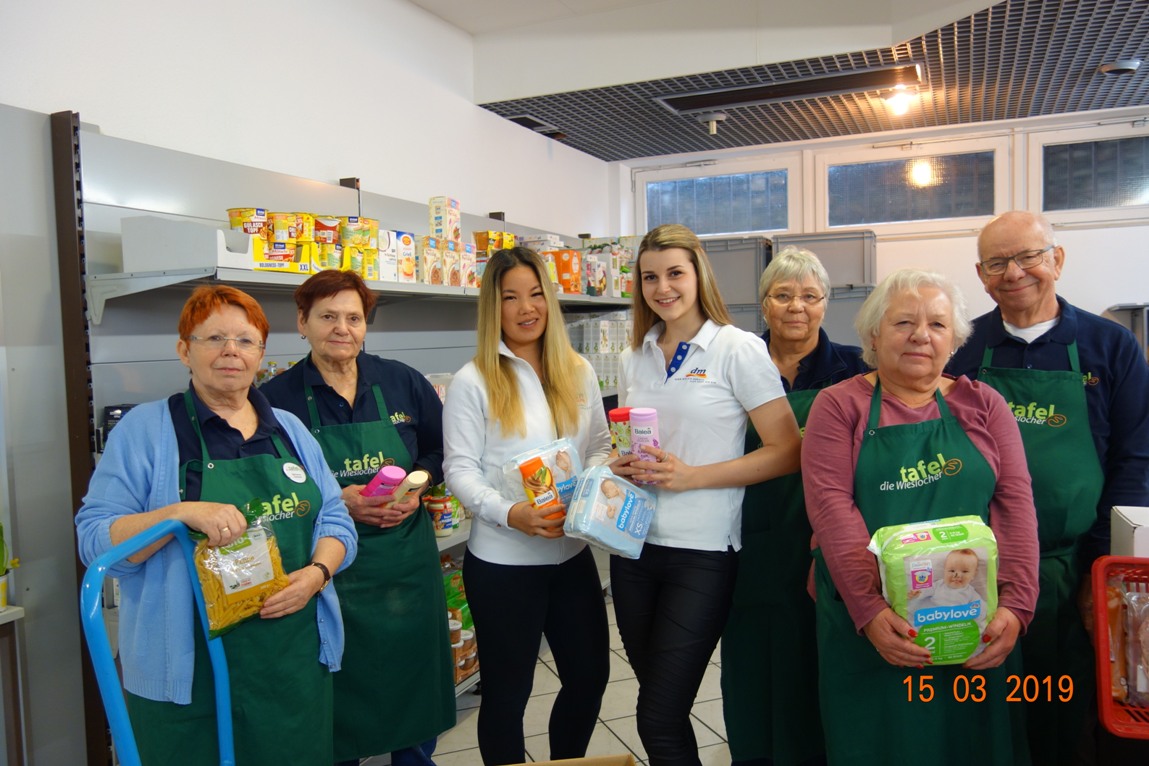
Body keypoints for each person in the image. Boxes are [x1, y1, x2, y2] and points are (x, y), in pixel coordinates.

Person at [75, 285, 357, 766]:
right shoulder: (146, 431)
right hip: (186, 673)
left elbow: (335, 518)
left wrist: (316, 575)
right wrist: (178, 513)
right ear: (185, 349)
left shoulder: (288, 427)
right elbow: (94, 540)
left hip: (290, 662)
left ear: (262, 353)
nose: (231, 351)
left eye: (245, 341)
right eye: (213, 339)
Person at [802, 268, 1040, 765]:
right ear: (872, 334)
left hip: (973, 616)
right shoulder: (838, 406)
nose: (920, 335)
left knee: (971, 747)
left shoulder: (984, 404)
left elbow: (1014, 506)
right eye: (903, 322)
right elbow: (832, 510)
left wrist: (1016, 607)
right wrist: (871, 611)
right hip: (871, 624)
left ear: (954, 339)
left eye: (936, 324)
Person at [946, 210, 1149, 765]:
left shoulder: (1113, 347)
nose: (1014, 272)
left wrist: (1099, 570)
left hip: (1070, 571)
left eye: (1029, 256)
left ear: (1056, 260)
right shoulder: (962, 350)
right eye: (997, 262)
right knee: (982, 706)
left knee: (1064, 711)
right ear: (982, 276)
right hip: (977, 571)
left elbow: (1134, 462)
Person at [612, 224, 802, 766]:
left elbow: (787, 450)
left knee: (657, 715)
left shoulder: (736, 349)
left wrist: (692, 476)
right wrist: (620, 462)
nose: (662, 287)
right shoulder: (636, 355)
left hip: (702, 554)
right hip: (634, 548)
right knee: (658, 706)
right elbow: (636, 439)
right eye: (650, 277)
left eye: (675, 273)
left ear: (699, 275)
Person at [259, 269, 454, 766]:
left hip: (405, 568)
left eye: (353, 317)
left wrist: (418, 484)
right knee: (336, 690)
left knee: (411, 682)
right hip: (330, 573)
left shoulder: (403, 382)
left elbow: (439, 450)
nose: (341, 328)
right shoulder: (274, 401)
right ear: (301, 322)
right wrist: (336, 499)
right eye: (327, 316)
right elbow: (270, 488)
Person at [442, 247, 611, 766]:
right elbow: (459, 470)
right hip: (504, 567)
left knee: (588, 678)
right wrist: (510, 513)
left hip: (570, 556)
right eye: (510, 297)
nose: (525, 308)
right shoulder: (474, 380)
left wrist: (593, 485)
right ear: (493, 306)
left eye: (536, 294)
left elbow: (600, 443)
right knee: (508, 695)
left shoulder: (577, 370)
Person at [720, 246, 866, 766]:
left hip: (830, 543)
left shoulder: (857, 368)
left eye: (810, 295)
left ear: (826, 303)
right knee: (755, 672)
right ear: (763, 305)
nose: (797, 307)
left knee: (823, 664)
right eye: (783, 295)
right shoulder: (736, 362)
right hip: (752, 543)